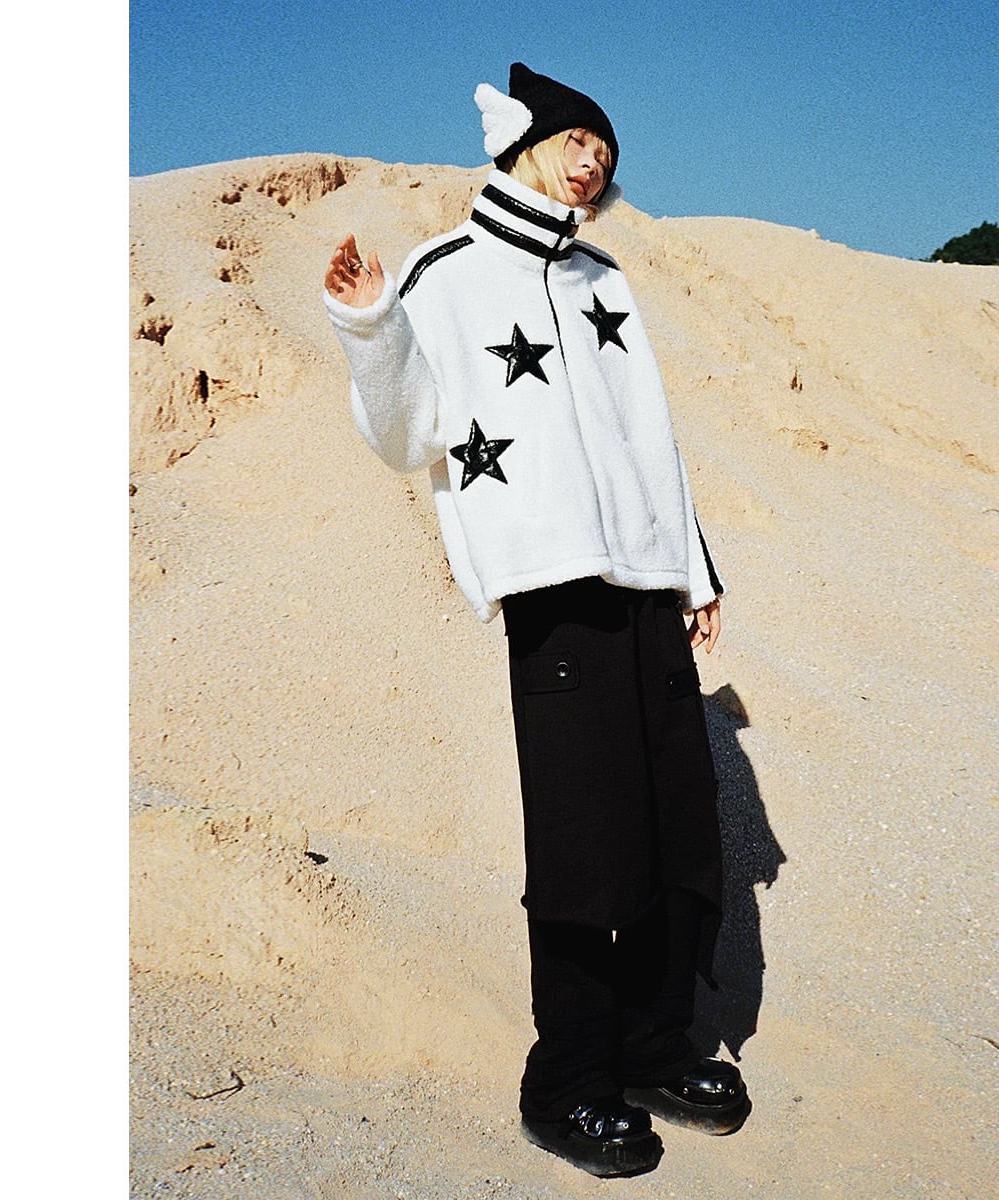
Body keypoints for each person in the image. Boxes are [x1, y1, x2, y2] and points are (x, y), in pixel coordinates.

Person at [323, 62, 748, 1178]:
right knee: (584, 843)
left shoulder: (606, 278)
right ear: (523, 144)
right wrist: (369, 324)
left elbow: (650, 435)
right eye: (577, 141)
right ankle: (566, 1080)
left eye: (606, 150)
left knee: (673, 825)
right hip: (552, 590)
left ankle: (654, 1048)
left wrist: (693, 568)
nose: (594, 161)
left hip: (646, 584)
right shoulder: (447, 270)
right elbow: (407, 432)